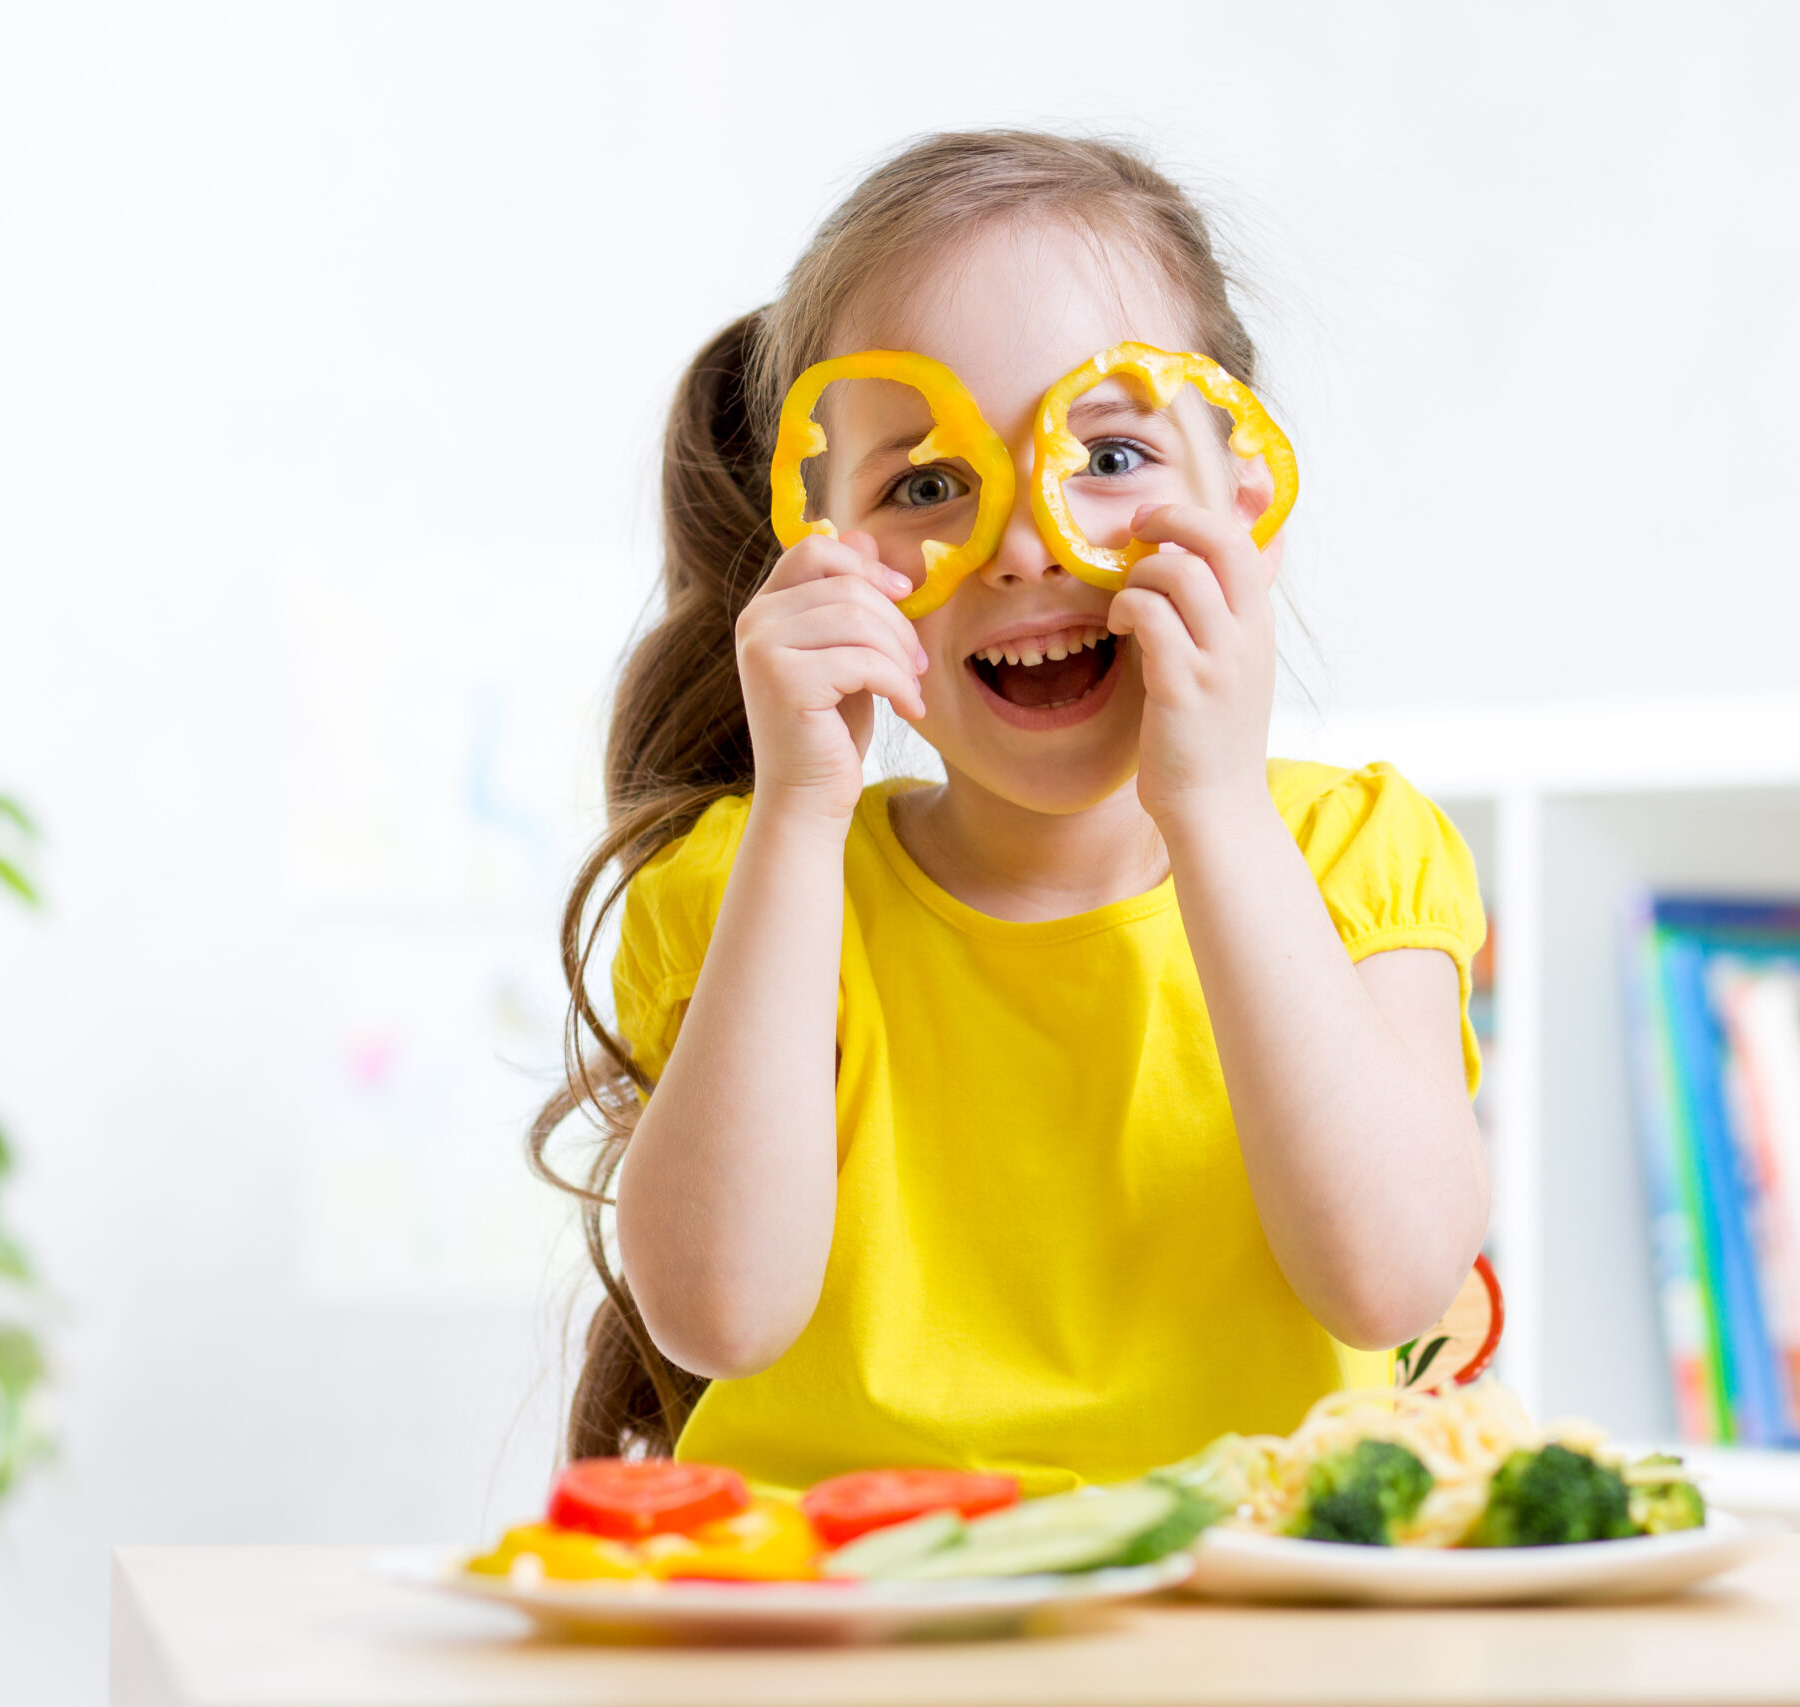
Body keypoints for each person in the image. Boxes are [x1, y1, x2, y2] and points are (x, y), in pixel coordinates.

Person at [531, 130, 1489, 1492]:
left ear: (1248, 493)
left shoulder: (1352, 860)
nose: (1027, 541)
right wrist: (801, 808)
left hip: (1241, 1630)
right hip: (855, 1629)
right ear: (820, 543)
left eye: (1106, 455)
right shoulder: (750, 879)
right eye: (925, 487)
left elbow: (1390, 1281)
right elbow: (719, 1318)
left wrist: (1212, 802)